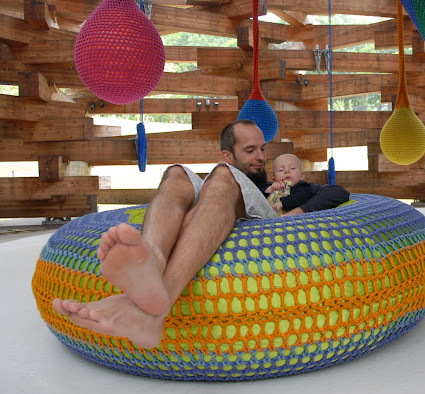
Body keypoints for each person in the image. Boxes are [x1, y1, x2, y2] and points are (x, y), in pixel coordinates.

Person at [52, 120, 348, 348]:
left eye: (262, 149)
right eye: (250, 151)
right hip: (217, 194)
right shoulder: (243, 178)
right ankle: (151, 262)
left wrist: (295, 210)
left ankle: (153, 309)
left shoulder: (290, 187)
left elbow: (337, 192)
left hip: (260, 212)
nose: (260, 157)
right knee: (176, 173)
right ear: (228, 154)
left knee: (221, 176)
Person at [264, 153, 349, 215]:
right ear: (274, 179)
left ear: (302, 176)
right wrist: (270, 189)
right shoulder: (275, 188)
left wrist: (282, 203)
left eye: (292, 168)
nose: (287, 171)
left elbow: (300, 197)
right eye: (281, 170)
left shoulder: (303, 186)